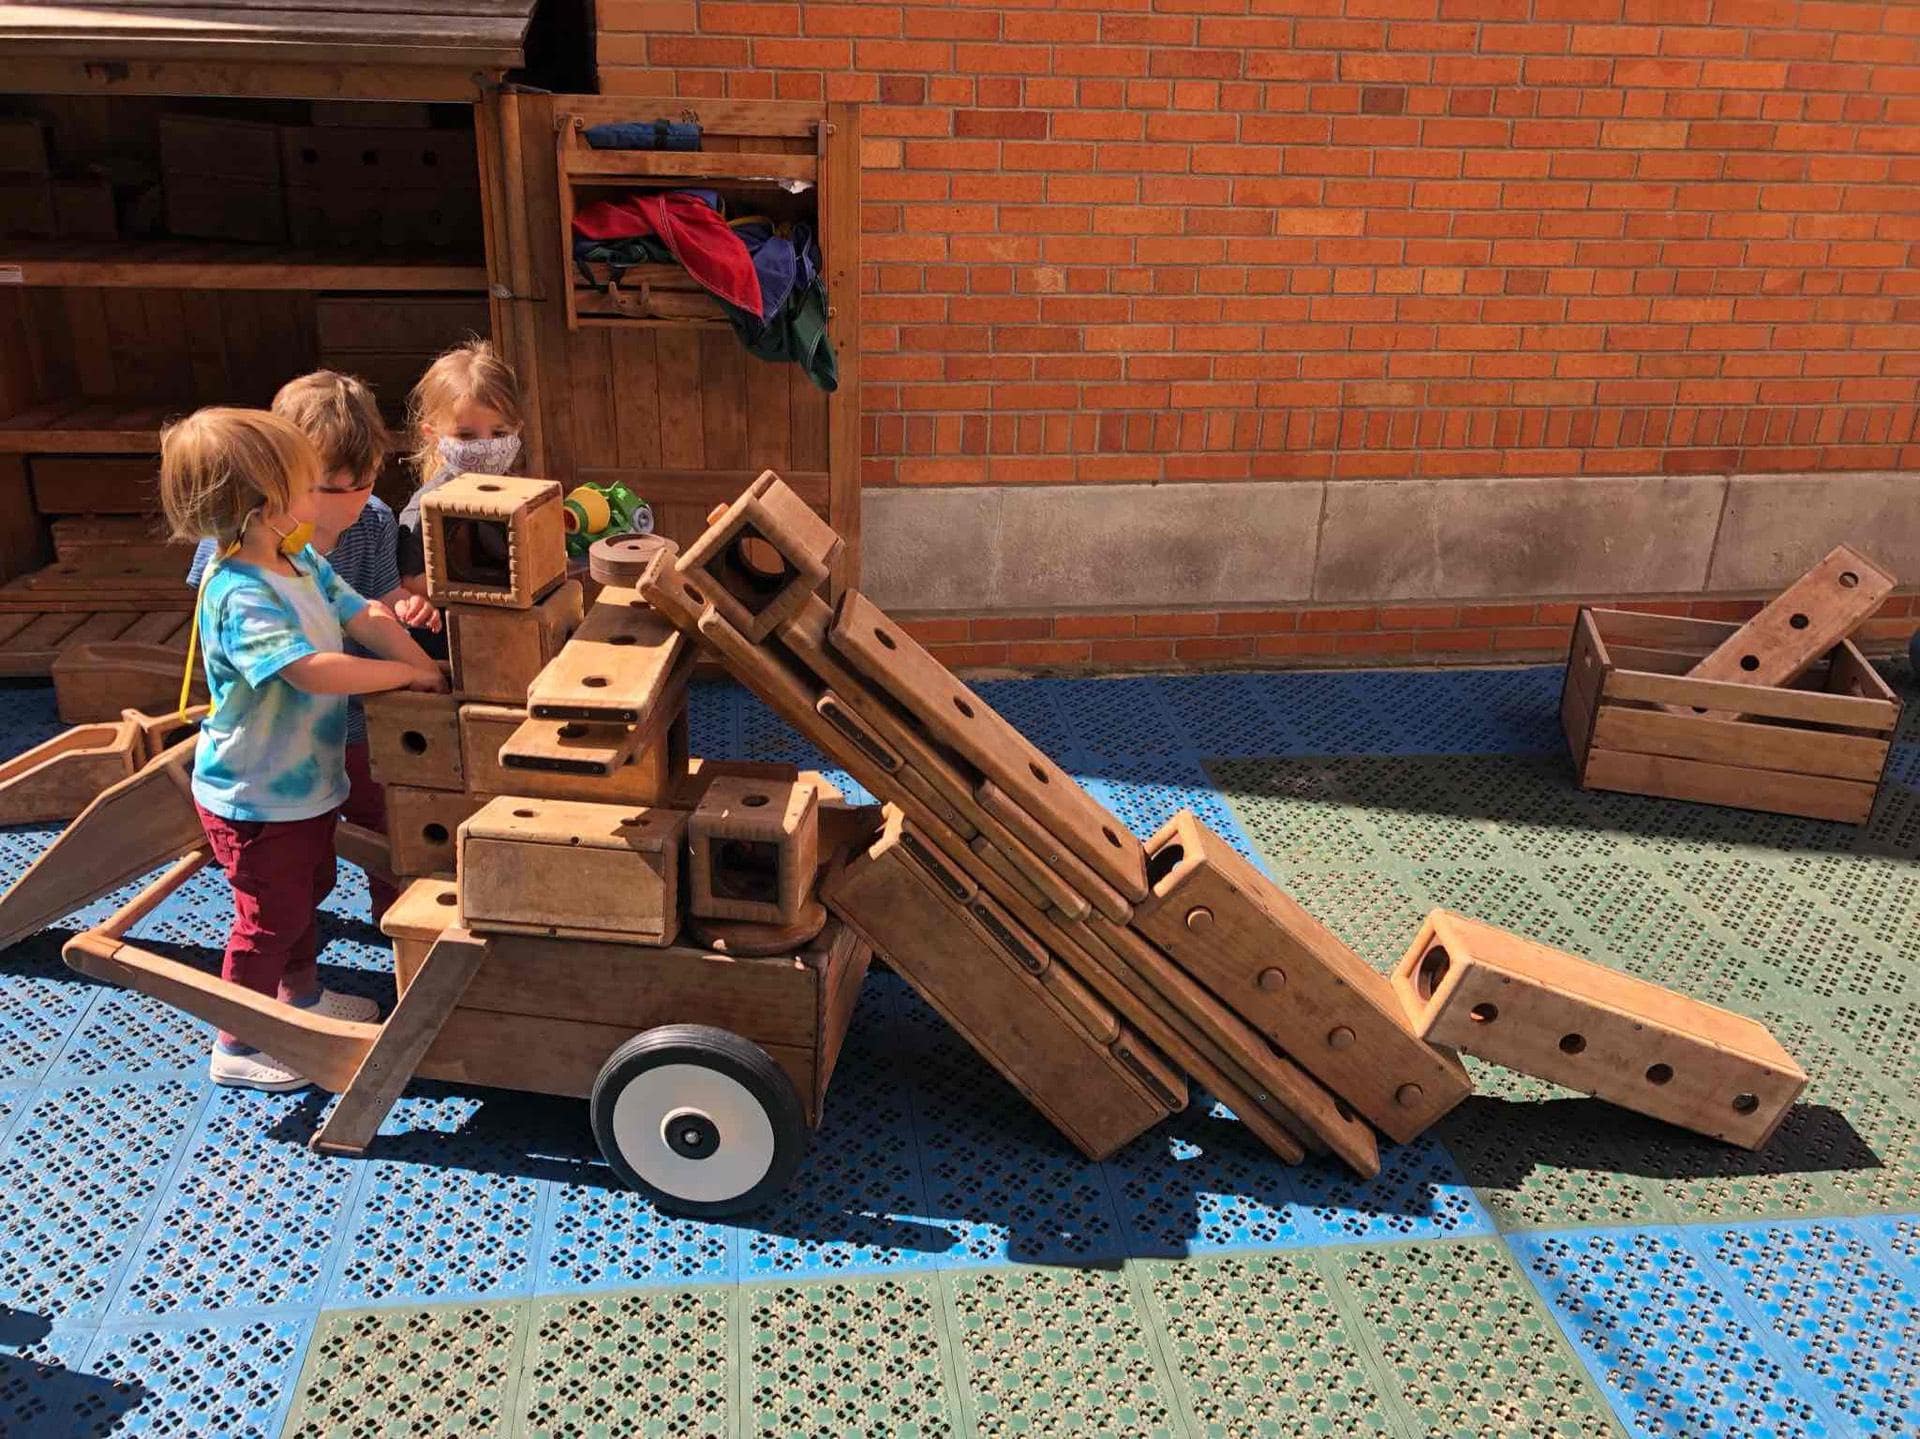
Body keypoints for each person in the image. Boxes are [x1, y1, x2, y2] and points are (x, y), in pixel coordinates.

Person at [161, 407, 446, 1092]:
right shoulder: (239, 593)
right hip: (255, 794)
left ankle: (303, 998)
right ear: (264, 504)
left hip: (304, 785)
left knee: (309, 889)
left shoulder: (296, 558)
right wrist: (401, 675)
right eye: (304, 485)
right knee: (270, 916)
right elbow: (310, 669)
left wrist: (425, 668)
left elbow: (364, 614)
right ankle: (238, 1040)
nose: (315, 498)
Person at [184, 370, 436, 925]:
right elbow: (237, 634)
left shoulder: (368, 525)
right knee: (288, 868)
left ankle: (397, 927)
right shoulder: (237, 547)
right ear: (279, 479)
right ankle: (284, 964)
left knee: (387, 826)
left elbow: (375, 601)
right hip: (280, 743)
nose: (345, 503)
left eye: (364, 482)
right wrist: (400, 671)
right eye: (326, 488)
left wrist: (415, 647)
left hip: (358, 717)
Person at [396, 339, 527, 635]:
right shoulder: (427, 505)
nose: (486, 445)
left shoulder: (519, 492)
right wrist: (494, 581)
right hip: (456, 640)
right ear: (433, 435)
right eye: (466, 435)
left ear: (517, 429)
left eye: (499, 433)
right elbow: (410, 582)